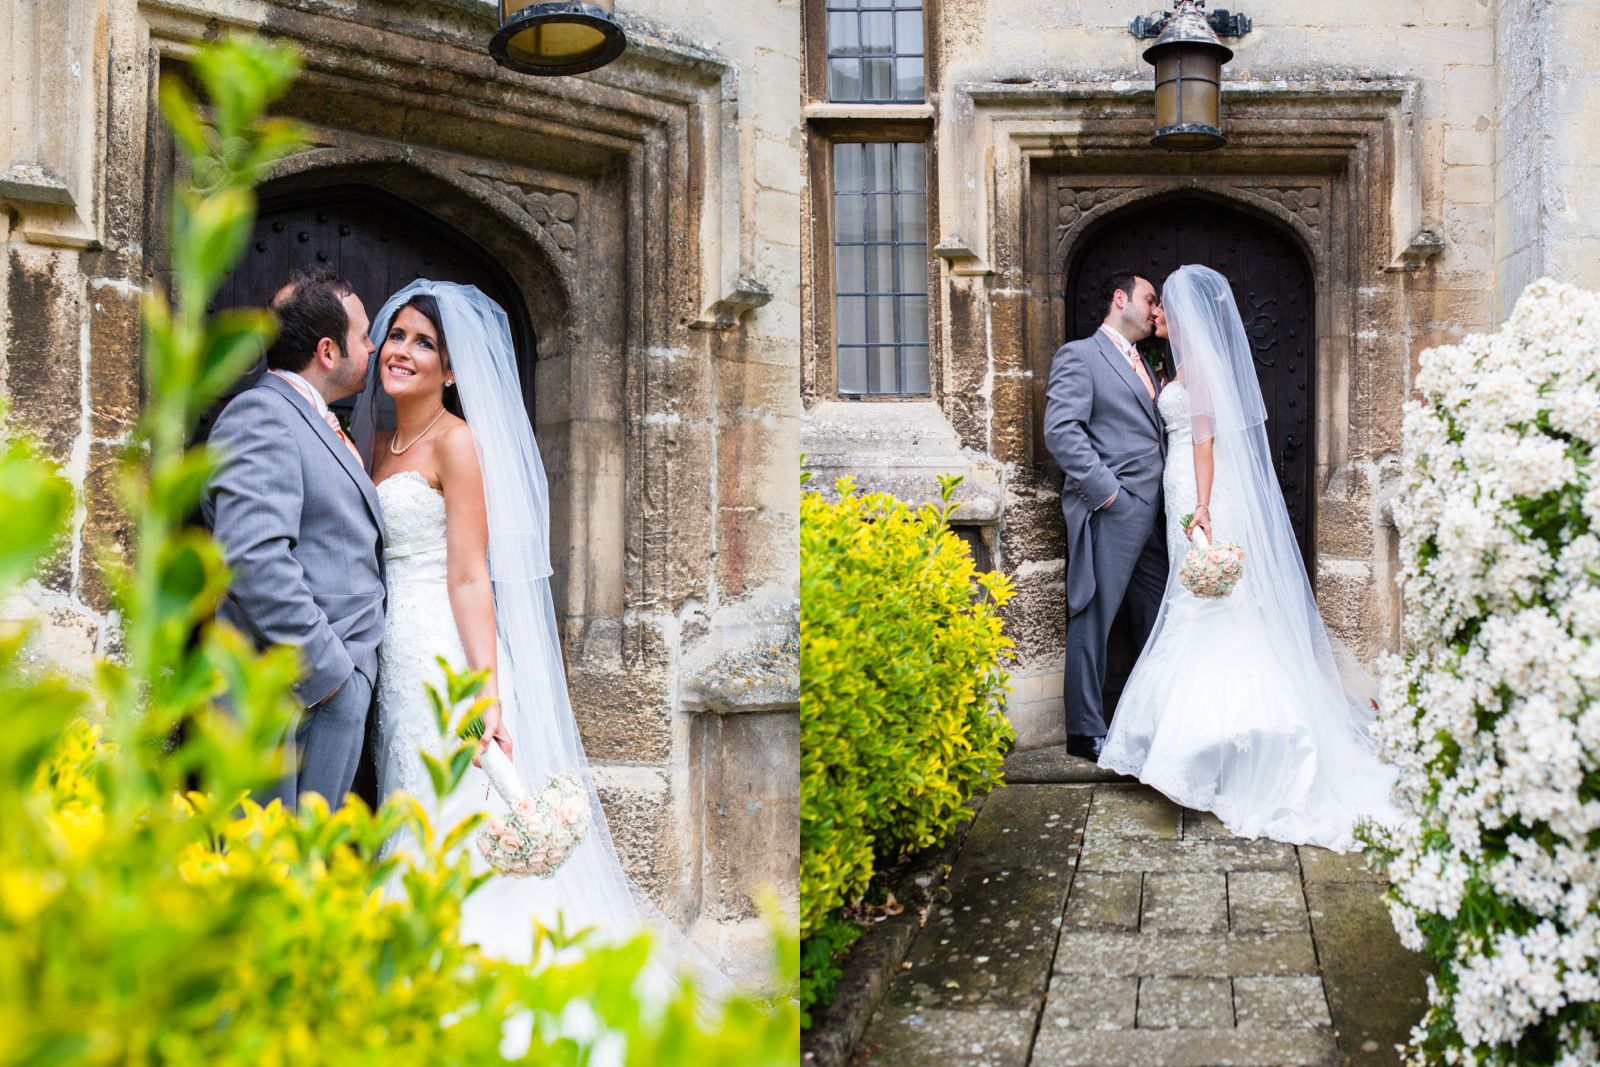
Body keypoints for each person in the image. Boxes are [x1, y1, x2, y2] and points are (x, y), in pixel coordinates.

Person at [351, 280, 724, 989]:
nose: (401, 351)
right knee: (406, 801)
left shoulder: (456, 445)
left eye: (423, 343)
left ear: (453, 369)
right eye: (395, 335)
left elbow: (468, 577)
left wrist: (486, 694)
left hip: (443, 656)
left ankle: (469, 983)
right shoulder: (373, 440)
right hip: (390, 656)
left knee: (452, 817)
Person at [1098, 265, 1397, 851]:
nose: (1155, 313)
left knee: (1214, 600)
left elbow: (1204, 440)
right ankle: (1201, 741)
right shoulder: (1178, 366)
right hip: (1181, 487)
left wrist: (1204, 506)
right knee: (1199, 598)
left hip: (1202, 491)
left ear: (1182, 316)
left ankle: (1224, 740)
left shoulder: (1201, 369)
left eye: (1162, 308)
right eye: (1152, 305)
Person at [201, 272, 384, 811]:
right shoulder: (264, 414)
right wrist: (332, 680)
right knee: (269, 872)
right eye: (367, 335)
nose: (373, 348)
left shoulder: (318, 420)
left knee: (308, 875)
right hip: (288, 699)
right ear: (329, 351)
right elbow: (254, 559)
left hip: (322, 702)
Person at [1043, 270, 1170, 761]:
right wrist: (1107, 495)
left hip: (1154, 513)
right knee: (1093, 617)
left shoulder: (1147, 362)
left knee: (1157, 615)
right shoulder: (1080, 355)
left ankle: (1148, 720)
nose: (1154, 309)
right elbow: (1062, 432)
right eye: (1149, 299)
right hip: (1113, 510)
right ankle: (1085, 731)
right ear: (1120, 299)